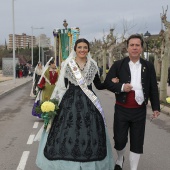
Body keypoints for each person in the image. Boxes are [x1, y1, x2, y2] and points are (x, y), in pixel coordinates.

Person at [36, 38, 114, 170]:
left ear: (88, 49)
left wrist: (111, 81)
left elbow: (98, 85)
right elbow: (62, 86)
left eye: (85, 47)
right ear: (75, 49)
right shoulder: (68, 64)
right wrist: (54, 103)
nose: (82, 50)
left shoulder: (93, 65)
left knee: (91, 130)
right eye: (80, 47)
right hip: (70, 101)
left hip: (89, 102)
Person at [104, 34, 160, 170]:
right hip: (122, 109)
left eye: (137, 45)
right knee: (119, 140)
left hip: (139, 110)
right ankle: (120, 158)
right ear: (127, 48)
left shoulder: (149, 66)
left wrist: (156, 107)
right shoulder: (119, 65)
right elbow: (107, 83)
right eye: (132, 45)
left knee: (137, 140)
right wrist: (122, 87)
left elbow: (153, 87)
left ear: (141, 48)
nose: (134, 47)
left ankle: (133, 168)